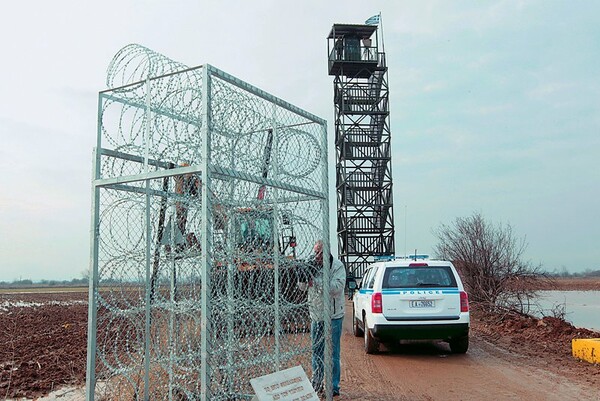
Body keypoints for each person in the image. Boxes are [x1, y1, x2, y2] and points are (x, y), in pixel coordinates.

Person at [299, 240, 346, 397]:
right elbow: (303, 287)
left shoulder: (337, 266)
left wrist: (316, 282)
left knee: (333, 353)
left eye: (319, 252)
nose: (316, 255)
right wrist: (302, 278)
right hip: (317, 316)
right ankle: (317, 383)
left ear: (327, 253)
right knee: (316, 352)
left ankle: (333, 386)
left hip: (333, 316)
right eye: (315, 252)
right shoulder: (311, 265)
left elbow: (336, 288)